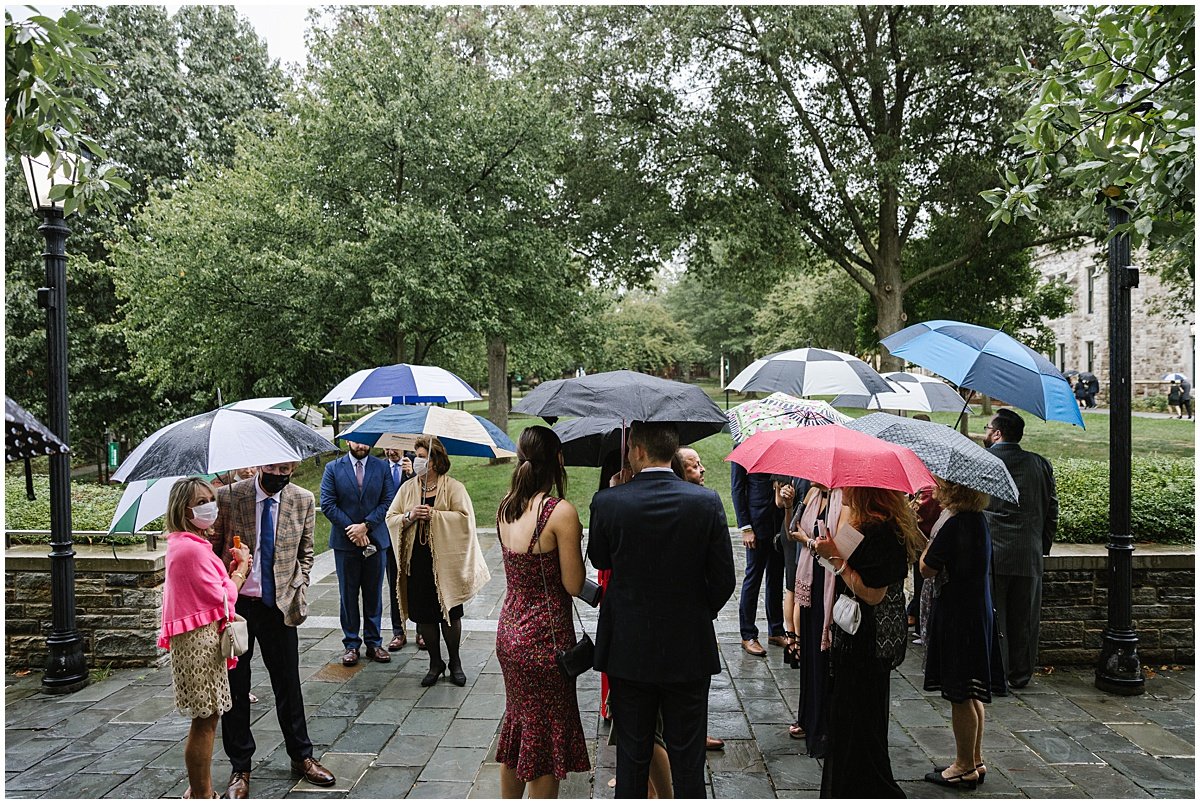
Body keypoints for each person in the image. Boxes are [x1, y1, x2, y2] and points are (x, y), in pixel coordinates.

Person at [589, 422, 736, 799]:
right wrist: (696, 613)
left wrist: (612, 498)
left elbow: (600, 558)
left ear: (636, 450)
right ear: (671, 453)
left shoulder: (609, 501)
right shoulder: (705, 502)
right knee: (688, 760)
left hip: (628, 648)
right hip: (687, 647)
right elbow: (723, 580)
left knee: (632, 758)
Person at [212, 462, 335, 798]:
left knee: (288, 685)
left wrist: (300, 584)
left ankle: (302, 756)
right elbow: (214, 548)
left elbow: (306, 551)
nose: (282, 474)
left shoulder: (303, 499)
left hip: (278, 606)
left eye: (288, 469)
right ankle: (241, 767)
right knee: (235, 689)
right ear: (261, 464)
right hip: (237, 608)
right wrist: (229, 572)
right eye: (277, 468)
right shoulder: (230, 496)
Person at [494, 426, 591, 798]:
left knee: (519, 726)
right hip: (545, 643)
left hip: (510, 634)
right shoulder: (560, 512)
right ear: (559, 461)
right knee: (546, 743)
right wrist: (577, 540)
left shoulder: (507, 505)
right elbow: (572, 584)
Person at [811, 486, 920, 799]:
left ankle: (864, 787)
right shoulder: (858, 526)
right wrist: (828, 551)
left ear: (864, 492)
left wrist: (835, 558)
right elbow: (838, 563)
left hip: (869, 642)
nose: (841, 490)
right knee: (850, 717)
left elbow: (872, 594)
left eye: (849, 486)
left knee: (860, 719)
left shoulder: (880, 532)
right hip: (854, 638)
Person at [160, 478, 250, 800]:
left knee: (206, 719)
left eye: (211, 498)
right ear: (184, 508)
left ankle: (199, 789)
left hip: (198, 641)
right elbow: (224, 597)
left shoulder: (188, 544)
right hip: (200, 645)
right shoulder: (191, 549)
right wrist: (240, 571)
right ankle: (202, 794)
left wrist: (227, 570)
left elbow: (208, 588)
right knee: (205, 722)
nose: (210, 505)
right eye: (201, 501)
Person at [921, 479, 1006, 790]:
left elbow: (926, 568)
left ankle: (963, 766)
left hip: (959, 616)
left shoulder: (955, 524)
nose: (935, 486)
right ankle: (975, 759)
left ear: (953, 490)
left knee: (959, 693)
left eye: (940, 483)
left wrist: (926, 543)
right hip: (975, 613)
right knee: (971, 690)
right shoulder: (977, 520)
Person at [386, 436, 490, 687]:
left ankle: (455, 662)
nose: (416, 460)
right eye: (416, 455)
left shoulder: (454, 487)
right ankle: (435, 662)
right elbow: (391, 516)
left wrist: (435, 515)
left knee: (450, 615)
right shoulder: (408, 488)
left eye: (421, 456)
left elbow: (465, 519)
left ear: (434, 461)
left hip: (444, 564)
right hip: (417, 562)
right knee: (424, 617)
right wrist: (410, 516)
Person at [983, 409, 1058, 690]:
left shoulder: (983, 462)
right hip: (1028, 554)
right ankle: (1020, 674)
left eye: (988, 427)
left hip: (992, 554)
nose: (985, 432)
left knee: (994, 616)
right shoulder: (1039, 464)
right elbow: (1052, 510)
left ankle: (996, 675)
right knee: (1025, 620)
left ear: (998, 433)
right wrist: (1040, 546)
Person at [321, 440, 397, 666]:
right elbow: (328, 504)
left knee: (374, 594)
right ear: (347, 442)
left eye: (365, 440)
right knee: (348, 595)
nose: (361, 444)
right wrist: (353, 530)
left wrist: (366, 526)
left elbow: (388, 501)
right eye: (356, 440)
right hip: (345, 544)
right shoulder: (333, 469)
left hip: (376, 539)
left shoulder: (381, 467)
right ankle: (351, 644)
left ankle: (374, 642)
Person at [673, 446, 728, 753]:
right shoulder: (706, 504)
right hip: (691, 616)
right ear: (680, 472)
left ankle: (696, 731)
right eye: (694, 467)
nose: (703, 469)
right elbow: (725, 578)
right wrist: (705, 607)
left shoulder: (706, 503)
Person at [787, 484, 839, 755]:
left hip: (829, 579)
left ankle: (823, 724)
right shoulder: (812, 495)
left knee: (823, 655)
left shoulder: (845, 501)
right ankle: (807, 716)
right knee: (808, 652)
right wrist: (787, 507)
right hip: (809, 576)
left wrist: (808, 542)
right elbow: (792, 529)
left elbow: (838, 546)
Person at [731, 460, 785, 656]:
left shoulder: (781, 448)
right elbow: (737, 490)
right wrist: (745, 527)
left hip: (779, 524)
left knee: (777, 577)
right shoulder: (744, 449)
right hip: (756, 524)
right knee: (753, 578)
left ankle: (776, 630)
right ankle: (748, 634)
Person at [382, 447, 415, 650]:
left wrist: (412, 473)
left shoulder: (416, 462)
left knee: (417, 583)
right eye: (386, 447)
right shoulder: (379, 467)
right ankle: (398, 631)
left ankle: (422, 630)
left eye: (393, 447)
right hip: (389, 534)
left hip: (414, 533)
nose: (390, 451)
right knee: (394, 583)